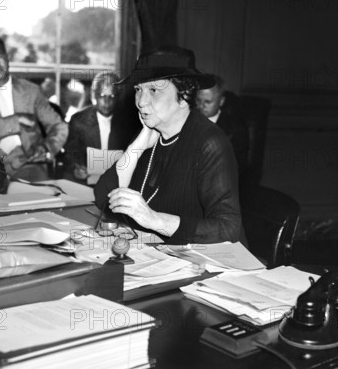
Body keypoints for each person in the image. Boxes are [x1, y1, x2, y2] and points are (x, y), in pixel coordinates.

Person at [94, 46, 244, 244]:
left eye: (153, 90)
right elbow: (104, 197)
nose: (141, 102)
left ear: (184, 95)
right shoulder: (152, 132)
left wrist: (155, 220)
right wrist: (136, 148)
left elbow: (228, 229)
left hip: (207, 264)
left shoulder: (210, 143)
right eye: (139, 89)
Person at [0, 35, 68, 181]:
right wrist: (16, 120)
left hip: (26, 162)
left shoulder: (31, 90)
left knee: (32, 192)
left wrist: (47, 147)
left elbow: (58, 126)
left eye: (0, 56)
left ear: (8, 57)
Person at [65, 71, 137, 181]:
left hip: (118, 182)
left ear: (118, 97)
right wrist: (77, 167)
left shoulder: (129, 122)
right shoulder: (79, 120)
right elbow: (71, 152)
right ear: (94, 95)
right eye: (102, 95)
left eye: (111, 96)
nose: (106, 102)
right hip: (86, 181)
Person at [196, 74, 249, 177]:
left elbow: (237, 167)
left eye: (208, 102)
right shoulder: (185, 121)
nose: (201, 106)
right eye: (198, 100)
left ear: (221, 101)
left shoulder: (235, 129)